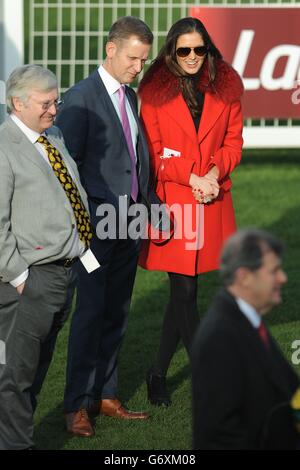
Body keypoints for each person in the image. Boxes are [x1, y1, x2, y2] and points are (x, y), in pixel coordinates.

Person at [138, 17, 243, 406]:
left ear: (208, 50)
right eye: (184, 50)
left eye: (200, 49)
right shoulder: (153, 92)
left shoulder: (227, 88)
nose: (193, 57)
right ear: (171, 52)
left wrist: (214, 172)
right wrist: (193, 177)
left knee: (183, 292)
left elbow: (234, 143)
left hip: (211, 196)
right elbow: (153, 153)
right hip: (175, 201)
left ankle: (156, 373)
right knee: (185, 288)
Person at [56, 16, 153, 437]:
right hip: (95, 228)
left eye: (144, 60)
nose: (138, 67)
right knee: (91, 313)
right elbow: (64, 170)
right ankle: (77, 404)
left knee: (117, 310)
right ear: (110, 49)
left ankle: (106, 394)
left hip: (127, 223)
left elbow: (134, 159)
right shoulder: (79, 99)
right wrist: (81, 229)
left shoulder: (130, 97)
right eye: (133, 58)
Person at [0, 64, 92, 450]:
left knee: (36, 368)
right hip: (32, 279)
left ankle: (16, 435)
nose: (55, 109)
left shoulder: (51, 135)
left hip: (64, 273)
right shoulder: (4, 148)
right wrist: (20, 277)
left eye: (57, 100)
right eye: (46, 103)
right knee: (15, 374)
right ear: (17, 103)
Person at [191, 229, 300, 450]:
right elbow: (218, 436)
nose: (283, 278)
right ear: (244, 277)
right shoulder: (219, 339)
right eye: (274, 271)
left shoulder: (247, 317)